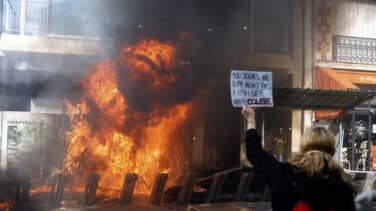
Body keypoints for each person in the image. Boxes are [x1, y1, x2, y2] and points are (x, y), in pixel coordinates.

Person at [242, 105, 355, 211]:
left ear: (303, 146)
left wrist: (251, 119)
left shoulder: (284, 174)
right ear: (332, 149)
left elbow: (255, 153)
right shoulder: (343, 186)